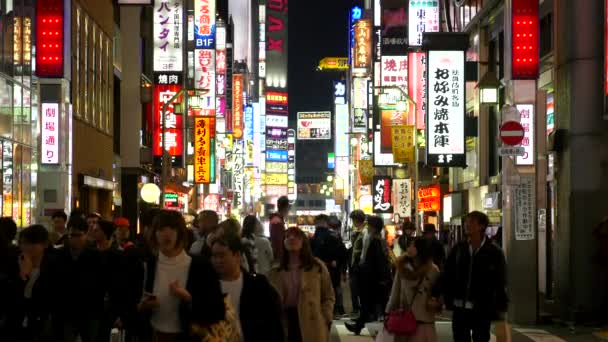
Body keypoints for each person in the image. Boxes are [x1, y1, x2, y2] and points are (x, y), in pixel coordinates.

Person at [138, 209, 225, 342]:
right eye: (161, 229)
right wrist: (143, 306)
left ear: (180, 233)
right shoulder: (148, 265)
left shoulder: (201, 266)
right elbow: (132, 306)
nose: (167, 233)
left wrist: (188, 298)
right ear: (154, 234)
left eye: (172, 228)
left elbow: (217, 311)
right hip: (153, 335)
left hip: (190, 337)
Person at [436, 211, 508, 342]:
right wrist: (439, 294)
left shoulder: (494, 251)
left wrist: (500, 305)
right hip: (459, 306)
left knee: (481, 338)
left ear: (481, 226)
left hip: (482, 308)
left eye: (471, 222)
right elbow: (447, 273)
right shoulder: (459, 249)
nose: (466, 225)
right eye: (466, 222)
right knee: (460, 338)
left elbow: (500, 280)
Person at [210, 233, 284, 341]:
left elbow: (273, 320)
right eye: (214, 256)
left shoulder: (258, 284)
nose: (217, 261)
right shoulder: (207, 286)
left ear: (237, 256)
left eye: (222, 255)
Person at [268, 227, 335, 342]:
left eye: (296, 236)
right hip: (284, 321)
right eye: (287, 236)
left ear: (303, 241)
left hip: (312, 320)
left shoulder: (316, 266)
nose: (291, 238)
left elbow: (328, 295)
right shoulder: (276, 270)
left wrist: (326, 316)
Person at [51, 216, 107, 342]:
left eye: (78, 235)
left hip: (90, 311)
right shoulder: (59, 255)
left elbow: (101, 284)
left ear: (86, 234)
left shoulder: (96, 256)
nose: (74, 239)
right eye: (71, 235)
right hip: (67, 311)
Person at [385, 237, 441, 342]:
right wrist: (388, 312)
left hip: (424, 320)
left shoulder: (433, 270)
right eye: (409, 245)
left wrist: (435, 303)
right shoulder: (402, 267)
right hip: (405, 319)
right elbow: (395, 293)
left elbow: (437, 295)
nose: (409, 248)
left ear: (421, 249)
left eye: (413, 246)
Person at [345, 215, 392, 335]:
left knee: (379, 306)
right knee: (372, 305)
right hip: (377, 279)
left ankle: (391, 329)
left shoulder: (375, 242)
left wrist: (380, 279)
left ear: (374, 228)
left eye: (370, 225)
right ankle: (359, 326)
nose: (368, 227)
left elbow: (378, 262)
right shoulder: (378, 240)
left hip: (375, 279)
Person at [12, 225, 56, 341]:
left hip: (42, 323)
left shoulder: (53, 266)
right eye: (23, 243)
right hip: (19, 322)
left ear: (45, 244)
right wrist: (23, 275)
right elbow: (12, 297)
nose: (26, 247)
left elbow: (46, 298)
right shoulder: (16, 263)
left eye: (31, 243)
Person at [310, 214, 347, 317]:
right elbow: (343, 253)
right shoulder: (333, 235)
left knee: (321, 289)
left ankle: (326, 310)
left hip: (318, 268)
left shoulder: (313, 238)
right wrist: (340, 265)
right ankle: (337, 310)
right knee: (334, 289)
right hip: (332, 268)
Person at [348, 210, 367, 316]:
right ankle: (358, 309)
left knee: (358, 288)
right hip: (356, 264)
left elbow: (363, 249)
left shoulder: (365, 231)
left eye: (353, 220)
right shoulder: (357, 231)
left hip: (360, 265)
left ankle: (360, 310)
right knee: (355, 287)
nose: (353, 222)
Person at [270, 195, 290, 263]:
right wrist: (281, 259)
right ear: (286, 207)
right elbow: (279, 243)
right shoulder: (277, 222)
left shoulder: (276, 220)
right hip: (279, 259)